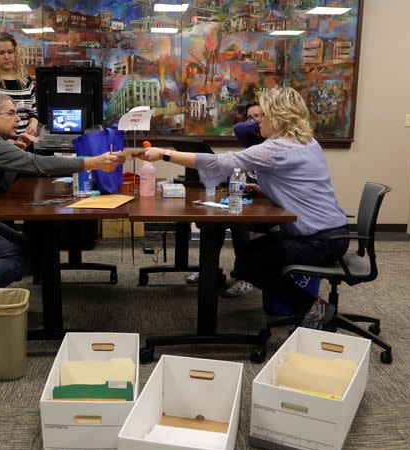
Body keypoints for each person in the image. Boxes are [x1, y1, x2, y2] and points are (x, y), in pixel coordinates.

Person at [136, 87, 349, 329]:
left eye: (263, 116)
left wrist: (164, 154)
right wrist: (265, 189)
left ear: (278, 118)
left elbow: (219, 163)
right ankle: (308, 305)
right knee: (249, 255)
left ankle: (312, 307)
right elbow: (298, 184)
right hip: (335, 233)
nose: (257, 123)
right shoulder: (308, 142)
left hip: (320, 241)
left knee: (248, 264)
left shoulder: (274, 150)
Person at [0, 92, 125, 297]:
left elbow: (2, 186)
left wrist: (16, 153)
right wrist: (92, 162)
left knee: (35, 251)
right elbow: (38, 164)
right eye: (11, 113)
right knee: (21, 257)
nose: (19, 119)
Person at [183, 102, 264, 298]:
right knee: (215, 219)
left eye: (260, 116)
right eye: (250, 118)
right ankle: (210, 270)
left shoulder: (272, 146)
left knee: (239, 223)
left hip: (267, 204)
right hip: (249, 198)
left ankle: (246, 276)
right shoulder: (250, 145)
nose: (255, 122)